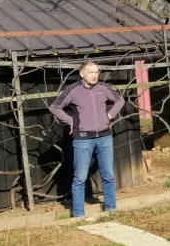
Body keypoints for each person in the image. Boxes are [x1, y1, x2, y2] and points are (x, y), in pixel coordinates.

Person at [49, 61, 126, 218]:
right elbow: (54, 107)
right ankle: (79, 214)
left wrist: (110, 115)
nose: (94, 75)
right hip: (83, 140)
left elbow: (120, 100)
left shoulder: (104, 88)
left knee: (108, 175)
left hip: (105, 137)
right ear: (82, 73)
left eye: (97, 72)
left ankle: (111, 209)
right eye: (90, 72)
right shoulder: (73, 90)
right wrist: (71, 121)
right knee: (80, 178)